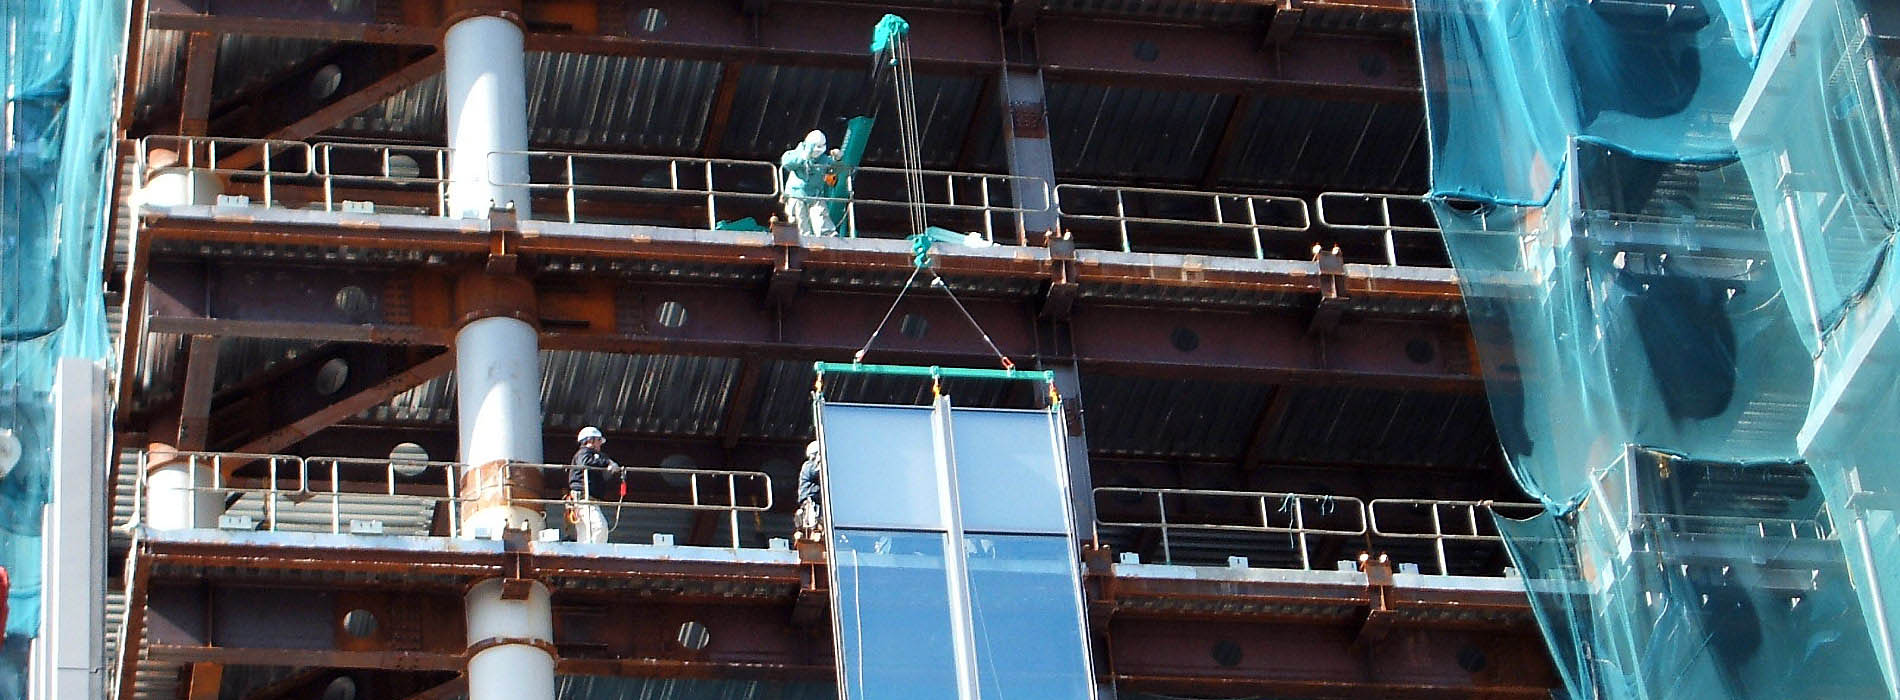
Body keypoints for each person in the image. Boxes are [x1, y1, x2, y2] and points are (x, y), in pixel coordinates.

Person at [779, 130, 843, 237]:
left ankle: (827, 236)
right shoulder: (796, 154)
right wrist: (803, 157)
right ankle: (803, 240)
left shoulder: (823, 159)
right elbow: (787, 163)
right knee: (801, 222)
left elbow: (836, 170)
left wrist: (838, 159)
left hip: (814, 194)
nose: (817, 152)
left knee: (820, 213)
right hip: (796, 194)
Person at [568, 426, 621, 544]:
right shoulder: (584, 453)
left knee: (585, 534)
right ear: (590, 440)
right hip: (584, 499)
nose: (600, 444)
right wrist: (607, 462)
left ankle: (584, 558)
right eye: (598, 441)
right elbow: (585, 463)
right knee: (599, 527)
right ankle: (595, 556)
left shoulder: (590, 455)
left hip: (585, 500)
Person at [794, 440, 824, 542]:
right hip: (810, 500)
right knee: (813, 519)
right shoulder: (809, 466)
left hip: (814, 500)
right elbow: (818, 472)